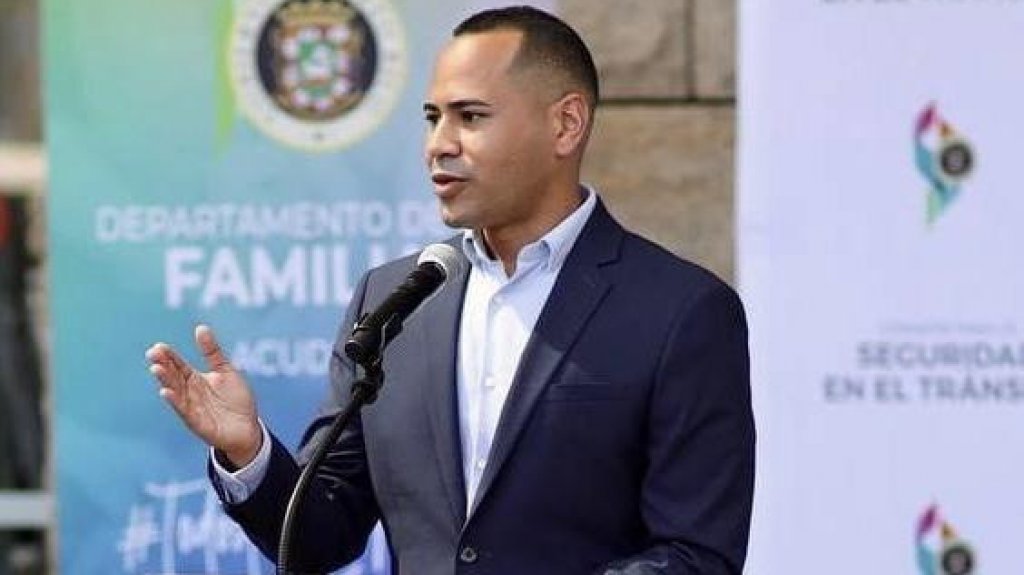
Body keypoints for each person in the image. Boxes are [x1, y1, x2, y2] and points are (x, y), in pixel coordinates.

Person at [146, 6, 754, 574]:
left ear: (566, 124)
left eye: (471, 116)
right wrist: (248, 452)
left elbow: (695, 554)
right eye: (433, 117)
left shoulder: (681, 312)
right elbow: (318, 537)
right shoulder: (394, 301)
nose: (440, 143)